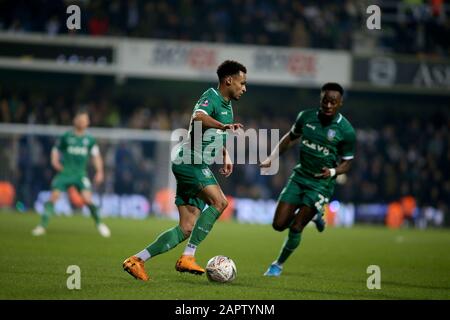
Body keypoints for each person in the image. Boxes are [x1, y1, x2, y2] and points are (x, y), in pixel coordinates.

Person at [123, 60, 247, 281]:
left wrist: (225, 154)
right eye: (242, 83)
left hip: (193, 162)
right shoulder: (211, 96)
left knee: (186, 227)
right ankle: (188, 256)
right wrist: (222, 126)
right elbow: (198, 117)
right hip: (191, 162)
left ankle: (136, 260)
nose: (244, 88)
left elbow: (216, 135)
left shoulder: (227, 105)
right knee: (220, 203)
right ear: (229, 80)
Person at [260, 82, 356, 277]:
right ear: (320, 100)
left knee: (296, 227)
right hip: (299, 176)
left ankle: (277, 264)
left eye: (333, 102)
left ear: (340, 103)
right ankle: (313, 215)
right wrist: (272, 157)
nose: (328, 105)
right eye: (325, 101)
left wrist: (332, 172)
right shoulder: (306, 117)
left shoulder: (346, 131)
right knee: (278, 224)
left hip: (321, 184)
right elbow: (291, 137)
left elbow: (347, 163)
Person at [31, 109, 110, 237]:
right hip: (65, 172)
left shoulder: (89, 139)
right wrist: (54, 160)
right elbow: (56, 149)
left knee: (87, 199)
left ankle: (100, 223)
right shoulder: (66, 136)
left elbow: (96, 156)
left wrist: (100, 171)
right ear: (75, 121)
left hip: (80, 174)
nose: (82, 122)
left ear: (88, 122)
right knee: (54, 196)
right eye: (80, 119)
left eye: (84, 120)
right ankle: (42, 226)